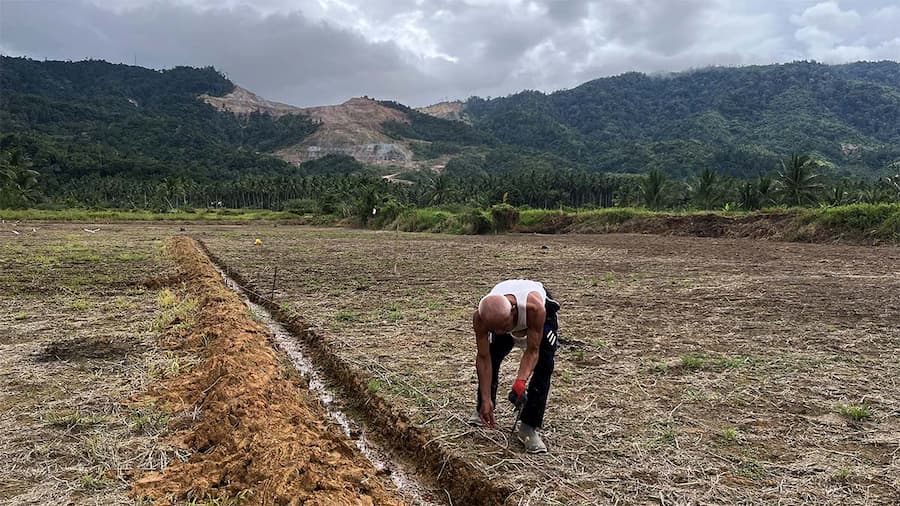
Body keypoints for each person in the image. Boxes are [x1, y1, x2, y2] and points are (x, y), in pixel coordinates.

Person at [471, 279, 560, 453]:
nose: (499, 333)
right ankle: (484, 408)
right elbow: (483, 358)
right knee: (493, 353)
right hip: (500, 316)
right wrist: (486, 397)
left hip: (536, 315)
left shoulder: (535, 308)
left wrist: (520, 382)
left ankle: (528, 427)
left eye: (503, 328)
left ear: (512, 312)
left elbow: (532, 351)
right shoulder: (482, 318)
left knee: (545, 363)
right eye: (494, 329)